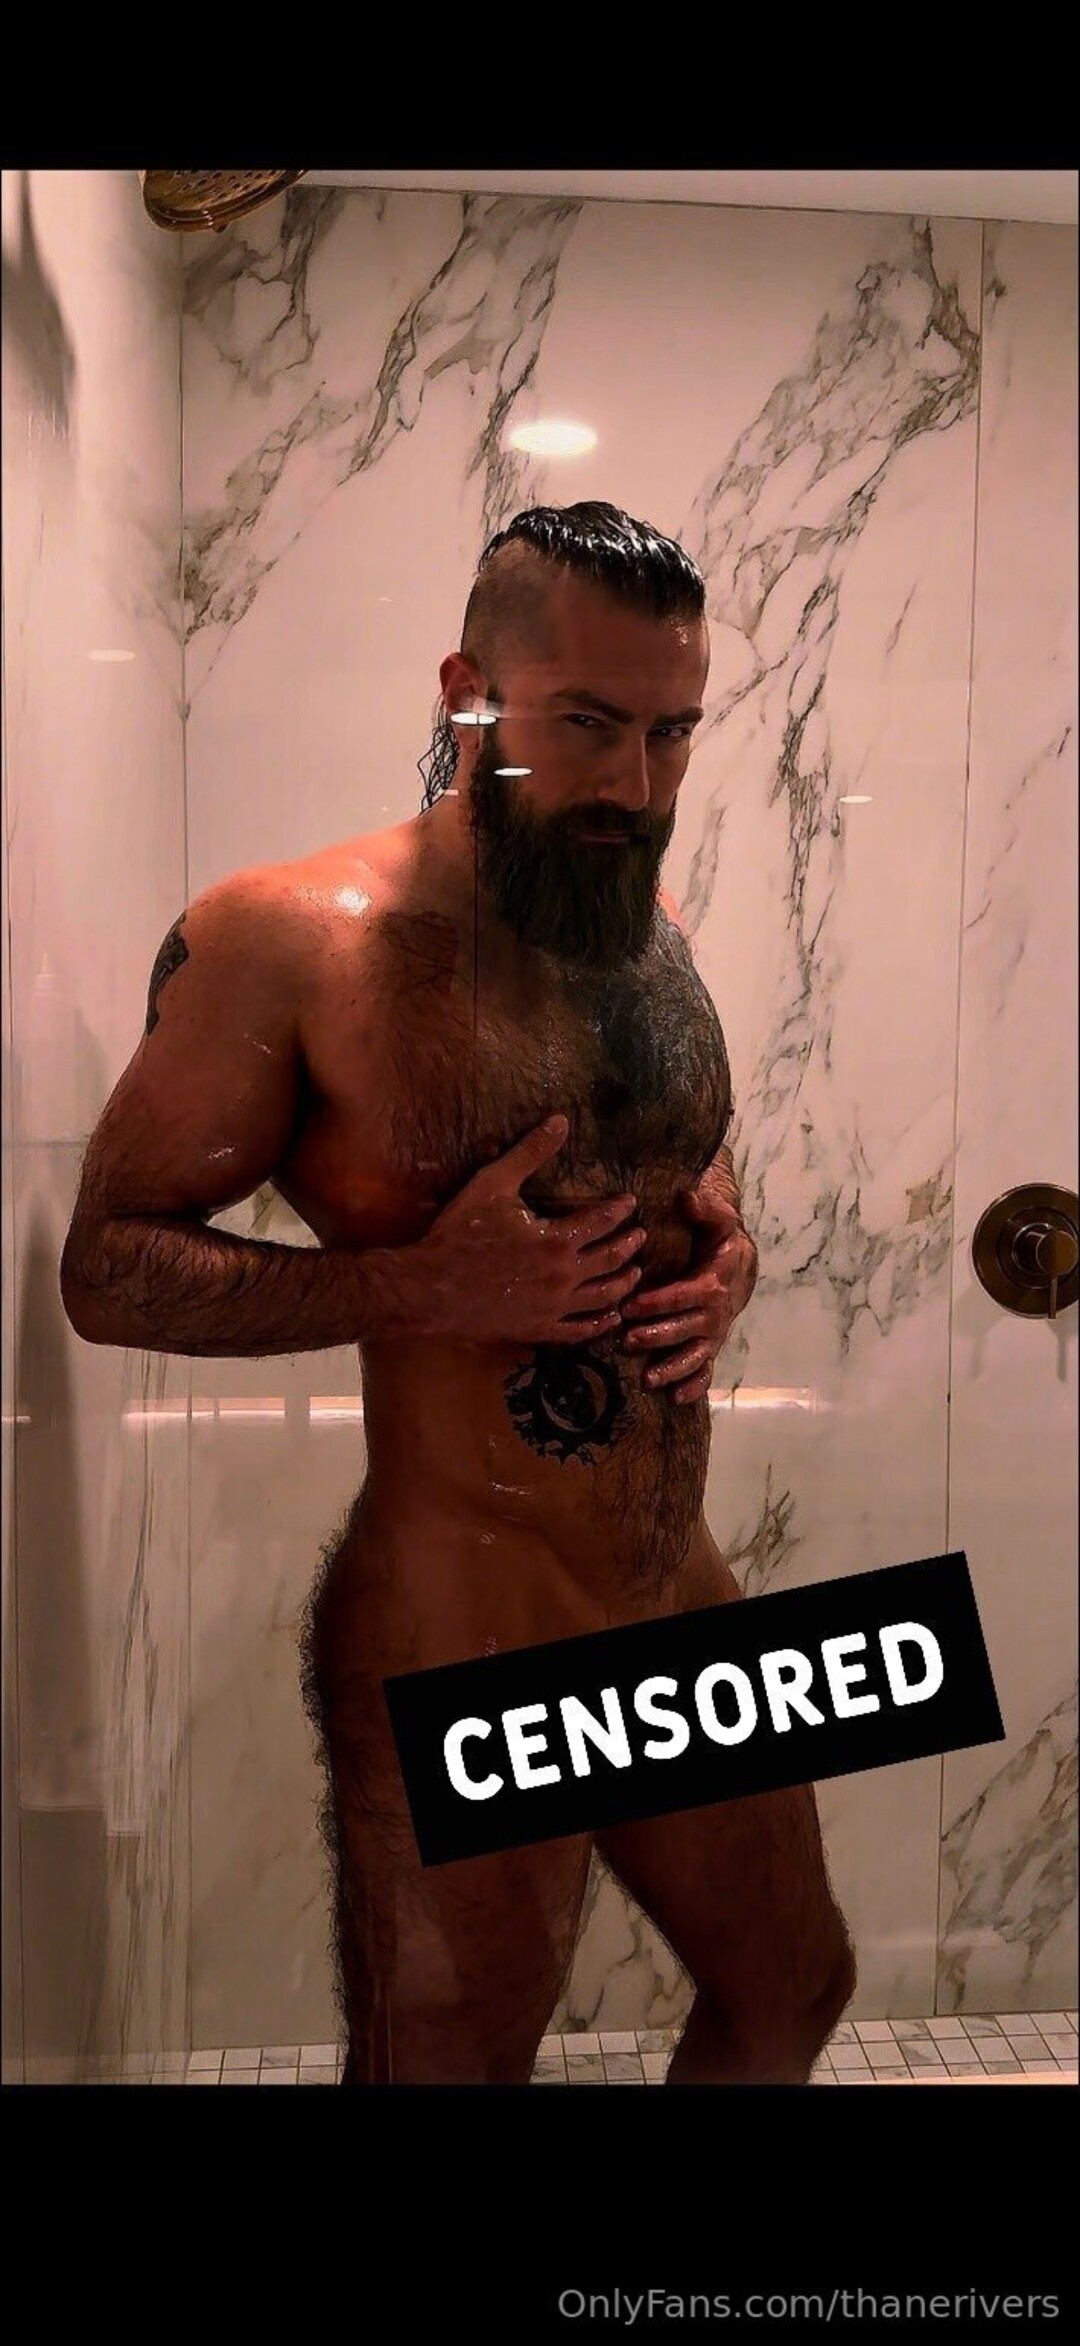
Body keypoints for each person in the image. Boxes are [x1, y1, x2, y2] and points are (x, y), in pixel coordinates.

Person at [60, 500, 855, 2084]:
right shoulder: (291, 942)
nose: (637, 785)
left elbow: (682, 1166)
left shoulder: (644, 925)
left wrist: (730, 1257)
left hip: (670, 1588)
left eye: (674, 733)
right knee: (448, 2070)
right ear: (469, 694)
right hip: (465, 1627)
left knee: (796, 1981)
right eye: (590, 724)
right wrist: (419, 1285)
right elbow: (109, 1265)